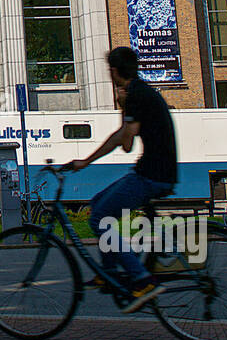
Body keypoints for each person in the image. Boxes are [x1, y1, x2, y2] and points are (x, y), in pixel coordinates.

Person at [60, 46, 177, 312]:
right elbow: (123, 138)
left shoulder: (135, 95)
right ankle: (109, 272)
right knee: (99, 202)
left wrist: (122, 108)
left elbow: (124, 142)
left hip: (152, 175)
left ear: (113, 71)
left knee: (99, 218)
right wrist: (87, 161)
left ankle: (142, 279)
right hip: (155, 171)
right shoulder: (139, 91)